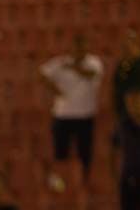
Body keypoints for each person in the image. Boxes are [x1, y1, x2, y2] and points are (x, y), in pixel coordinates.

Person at [40, 34, 104, 181]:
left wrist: (72, 67)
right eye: (77, 46)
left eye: (82, 46)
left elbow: (91, 74)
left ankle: (85, 180)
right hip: (63, 115)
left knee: (85, 153)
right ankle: (62, 181)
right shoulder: (61, 62)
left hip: (85, 115)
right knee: (61, 152)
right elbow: (42, 73)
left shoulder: (93, 62)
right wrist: (54, 89)